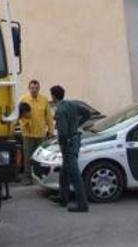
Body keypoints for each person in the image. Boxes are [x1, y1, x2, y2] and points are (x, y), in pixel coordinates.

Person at [50, 85, 90, 213]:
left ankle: (82, 204)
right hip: (75, 139)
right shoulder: (71, 105)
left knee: (74, 174)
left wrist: (61, 143)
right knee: (65, 171)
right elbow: (87, 113)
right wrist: (77, 124)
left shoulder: (60, 110)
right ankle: (63, 197)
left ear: (53, 96)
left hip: (68, 144)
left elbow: (62, 132)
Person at [19, 79, 54, 185]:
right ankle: (27, 177)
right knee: (28, 157)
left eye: (36, 88)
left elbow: (48, 117)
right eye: (32, 88)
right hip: (28, 134)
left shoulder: (44, 100)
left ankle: (40, 177)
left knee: (41, 158)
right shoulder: (23, 100)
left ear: (39, 89)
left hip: (41, 134)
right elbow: (20, 116)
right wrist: (26, 121)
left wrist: (51, 130)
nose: (34, 90)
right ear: (29, 88)